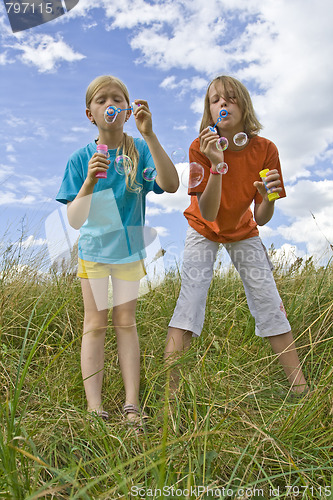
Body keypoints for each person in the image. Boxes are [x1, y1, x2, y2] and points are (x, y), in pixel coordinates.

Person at [165, 75, 308, 398]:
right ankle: (170, 399)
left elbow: (262, 217)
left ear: (244, 105)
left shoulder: (265, 149)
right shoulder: (199, 147)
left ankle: (301, 390)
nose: (223, 105)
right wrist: (216, 164)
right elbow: (210, 211)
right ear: (209, 110)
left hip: (244, 229)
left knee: (268, 301)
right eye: (215, 100)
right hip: (203, 227)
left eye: (230, 98)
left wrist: (267, 198)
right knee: (190, 302)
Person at [56, 75, 179, 428]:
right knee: (94, 325)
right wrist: (90, 182)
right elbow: (76, 220)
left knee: (126, 324)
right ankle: (95, 408)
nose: (109, 104)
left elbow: (170, 185)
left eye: (117, 98)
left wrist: (150, 134)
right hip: (94, 252)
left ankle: (131, 406)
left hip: (129, 253)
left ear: (127, 110)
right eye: (101, 100)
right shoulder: (81, 159)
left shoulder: (139, 151)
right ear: (89, 113)